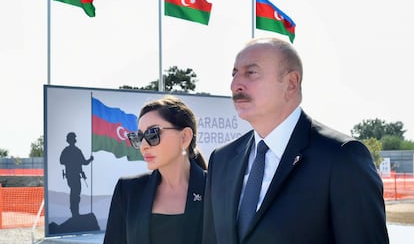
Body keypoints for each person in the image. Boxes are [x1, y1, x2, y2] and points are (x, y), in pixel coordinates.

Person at [202, 37, 389, 244]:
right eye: (234, 73)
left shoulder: (341, 158)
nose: (235, 84)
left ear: (291, 83)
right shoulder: (222, 159)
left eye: (251, 73)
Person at [103, 95, 207, 244]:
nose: (144, 145)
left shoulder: (215, 190)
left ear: (184, 137)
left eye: (153, 134)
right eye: (139, 137)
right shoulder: (128, 191)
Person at [60, 132, 94, 217]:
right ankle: (74, 212)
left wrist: (90, 159)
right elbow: (62, 161)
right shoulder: (72, 151)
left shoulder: (74, 150)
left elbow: (84, 162)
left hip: (74, 175)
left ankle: (75, 212)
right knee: (75, 193)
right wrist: (90, 159)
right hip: (72, 175)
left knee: (75, 193)